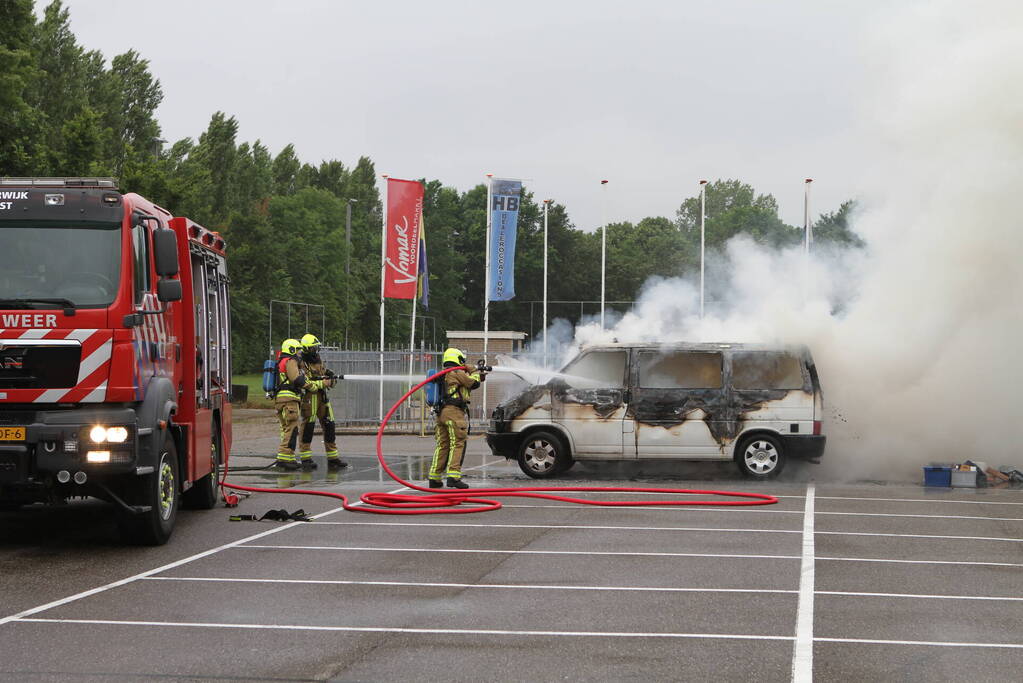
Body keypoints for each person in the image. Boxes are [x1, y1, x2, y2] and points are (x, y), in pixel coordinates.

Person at [429, 347, 485, 489]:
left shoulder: (444, 374)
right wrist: (473, 370)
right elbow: (474, 383)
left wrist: (478, 374)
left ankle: (434, 478)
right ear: (457, 359)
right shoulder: (457, 372)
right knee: (458, 443)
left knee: (443, 444)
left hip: (441, 414)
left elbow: (465, 386)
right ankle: (453, 477)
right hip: (454, 413)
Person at [272, 338, 333, 470]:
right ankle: (285, 458)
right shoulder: (290, 361)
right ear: (292, 349)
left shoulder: (281, 361)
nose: (300, 353)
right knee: (292, 429)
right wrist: (311, 386)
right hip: (289, 400)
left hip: (281, 400)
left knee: (286, 429)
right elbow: (297, 379)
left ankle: (288, 458)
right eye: (298, 350)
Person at [297, 333, 347, 470]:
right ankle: (306, 458)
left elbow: (325, 374)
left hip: (322, 397)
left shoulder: (318, 360)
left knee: (329, 425)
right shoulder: (300, 362)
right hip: (309, 398)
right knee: (308, 427)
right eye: (314, 348)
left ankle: (333, 458)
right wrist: (323, 383)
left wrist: (331, 379)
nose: (316, 351)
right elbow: (305, 381)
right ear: (307, 349)